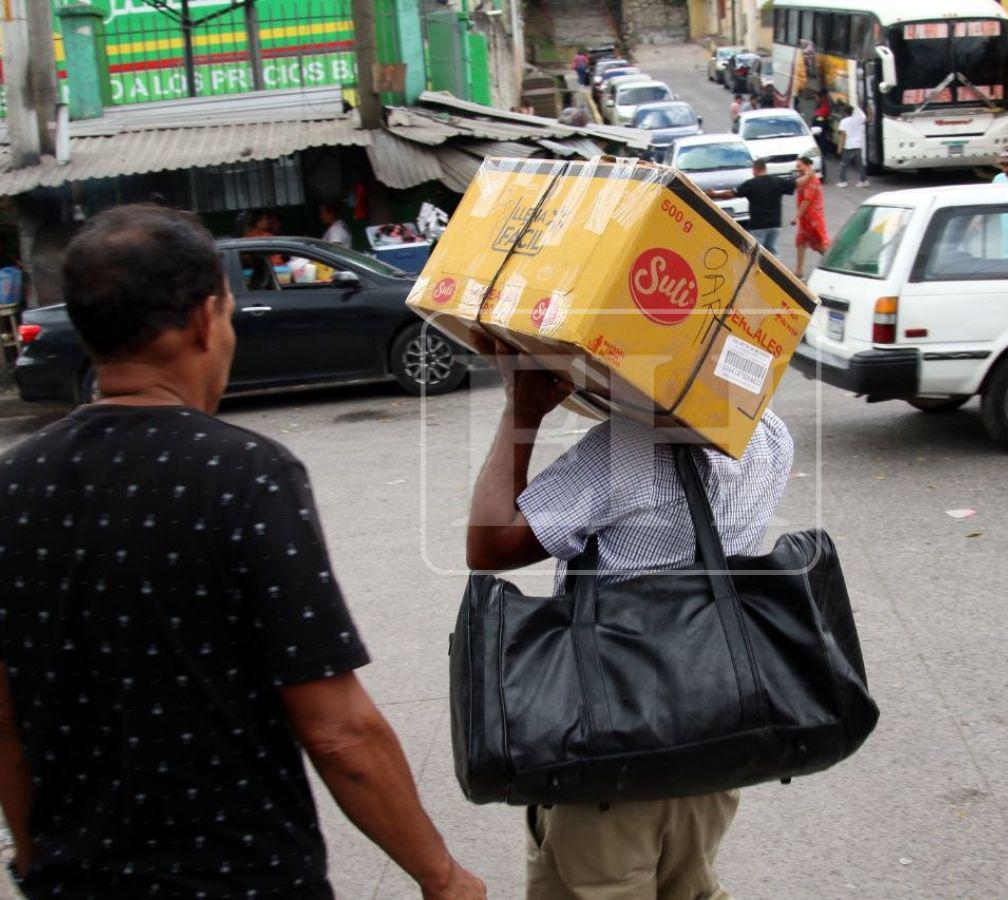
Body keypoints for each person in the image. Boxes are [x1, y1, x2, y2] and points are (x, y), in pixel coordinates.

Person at [0, 204, 485, 900]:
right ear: (205, 320)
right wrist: (442, 877)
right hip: (244, 879)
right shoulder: (245, 476)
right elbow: (338, 731)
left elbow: (5, 720)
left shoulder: (14, 485)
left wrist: (35, 858)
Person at [466, 341, 793, 900]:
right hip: (714, 742)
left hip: (612, 751)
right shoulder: (768, 434)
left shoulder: (626, 450)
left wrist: (520, 411)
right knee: (690, 885)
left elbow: (490, 544)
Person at [707, 158, 794, 256]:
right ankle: (775, 271)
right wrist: (809, 175)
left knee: (756, 253)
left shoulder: (751, 183)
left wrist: (714, 195)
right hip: (775, 224)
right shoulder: (777, 181)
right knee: (773, 252)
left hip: (759, 225)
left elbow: (730, 194)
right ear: (765, 168)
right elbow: (795, 184)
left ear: (755, 169)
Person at [791, 152, 830, 277]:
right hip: (806, 219)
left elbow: (806, 201)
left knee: (820, 245)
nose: (798, 169)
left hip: (813, 219)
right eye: (797, 166)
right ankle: (799, 271)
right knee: (801, 242)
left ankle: (833, 263)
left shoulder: (812, 180)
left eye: (800, 166)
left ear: (807, 165)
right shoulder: (806, 178)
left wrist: (796, 216)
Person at [836, 105, 869, 188]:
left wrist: (840, 147)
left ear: (844, 113)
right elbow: (869, 118)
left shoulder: (843, 122)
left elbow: (843, 135)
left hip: (849, 146)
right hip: (858, 145)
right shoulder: (857, 119)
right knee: (859, 164)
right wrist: (868, 108)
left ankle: (843, 181)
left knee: (844, 164)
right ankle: (864, 180)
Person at [811, 89, 833, 157]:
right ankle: (822, 152)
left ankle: (821, 151)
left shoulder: (823, 100)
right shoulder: (824, 99)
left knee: (819, 135)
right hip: (820, 118)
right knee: (822, 136)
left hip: (819, 117)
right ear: (824, 94)